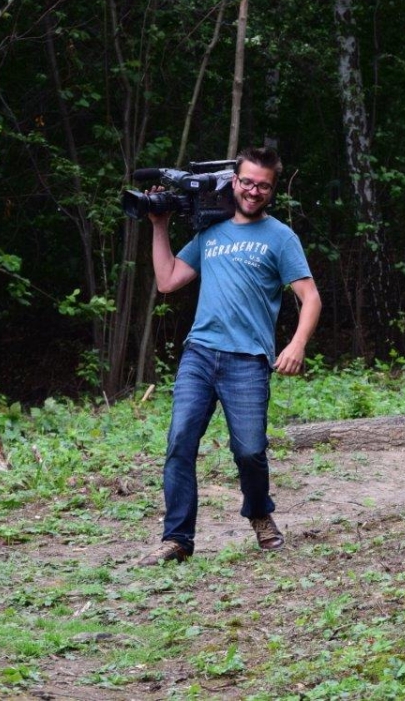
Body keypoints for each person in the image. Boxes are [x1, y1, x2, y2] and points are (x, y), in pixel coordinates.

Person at [137, 147, 321, 565]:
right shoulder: (211, 233)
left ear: (272, 190)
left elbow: (310, 297)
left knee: (250, 451)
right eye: (247, 182)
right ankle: (177, 539)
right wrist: (159, 226)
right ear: (234, 181)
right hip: (200, 354)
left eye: (263, 186)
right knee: (180, 442)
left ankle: (259, 513)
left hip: (248, 360)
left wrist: (296, 344)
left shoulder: (280, 237)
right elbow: (168, 280)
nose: (254, 191)